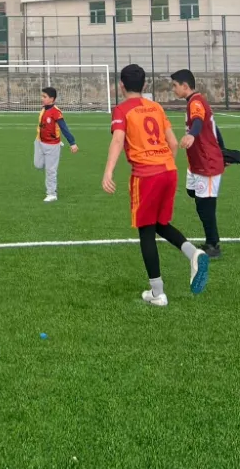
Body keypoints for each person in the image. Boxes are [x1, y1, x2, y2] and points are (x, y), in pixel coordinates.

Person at [101, 65, 208, 307]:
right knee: (159, 223)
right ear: (145, 85)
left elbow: (118, 140)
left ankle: (158, 293)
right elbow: (173, 142)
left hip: (146, 175)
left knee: (146, 230)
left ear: (121, 85)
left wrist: (108, 172)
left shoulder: (121, 109)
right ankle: (193, 253)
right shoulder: (156, 107)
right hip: (168, 170)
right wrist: (165, 164)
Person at [170, 69, 225, 259]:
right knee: (193, 193)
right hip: (197, 163)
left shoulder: (195, 102)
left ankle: (213, 244)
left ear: (185, 86)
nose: (173, 89)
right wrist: (223, 150)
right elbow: (214, 128)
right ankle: (211, 236)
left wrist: (192, 135)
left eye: (175, 86)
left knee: (204, 205)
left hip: (206, 163)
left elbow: (199, 122)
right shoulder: (195, 101)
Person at [34, 87, 78, 203]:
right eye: (42, 96)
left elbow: (64, 128)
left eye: (44, 97)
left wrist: (72, 143)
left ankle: (52, 194)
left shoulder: (56, 112)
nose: (42, 98)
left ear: (52, 99)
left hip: (52, 145)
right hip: (39, 142)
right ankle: (53, 158)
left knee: (50, 170)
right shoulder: (43, 109)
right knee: (38, 165)